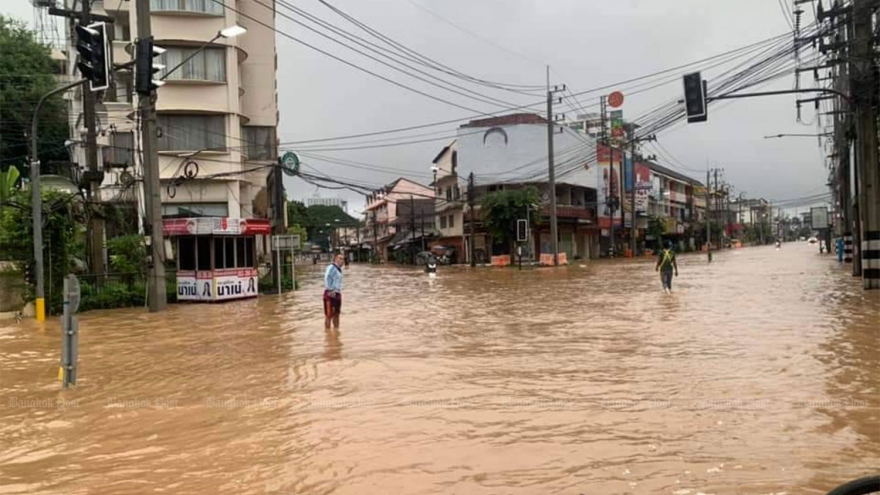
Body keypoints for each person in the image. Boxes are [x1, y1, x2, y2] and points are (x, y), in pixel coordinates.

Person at [323, 253, 345, 329]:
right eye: (340, 258)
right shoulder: (332, 267)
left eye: (343, 259)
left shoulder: (339, 270)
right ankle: (328, 333)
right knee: (329, 315)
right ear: (336, 259)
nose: (342, 260)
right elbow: (326, 277)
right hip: (330, 293)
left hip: (337, 293)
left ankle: (336, 331)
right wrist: (330, 289)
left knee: (337, 314)